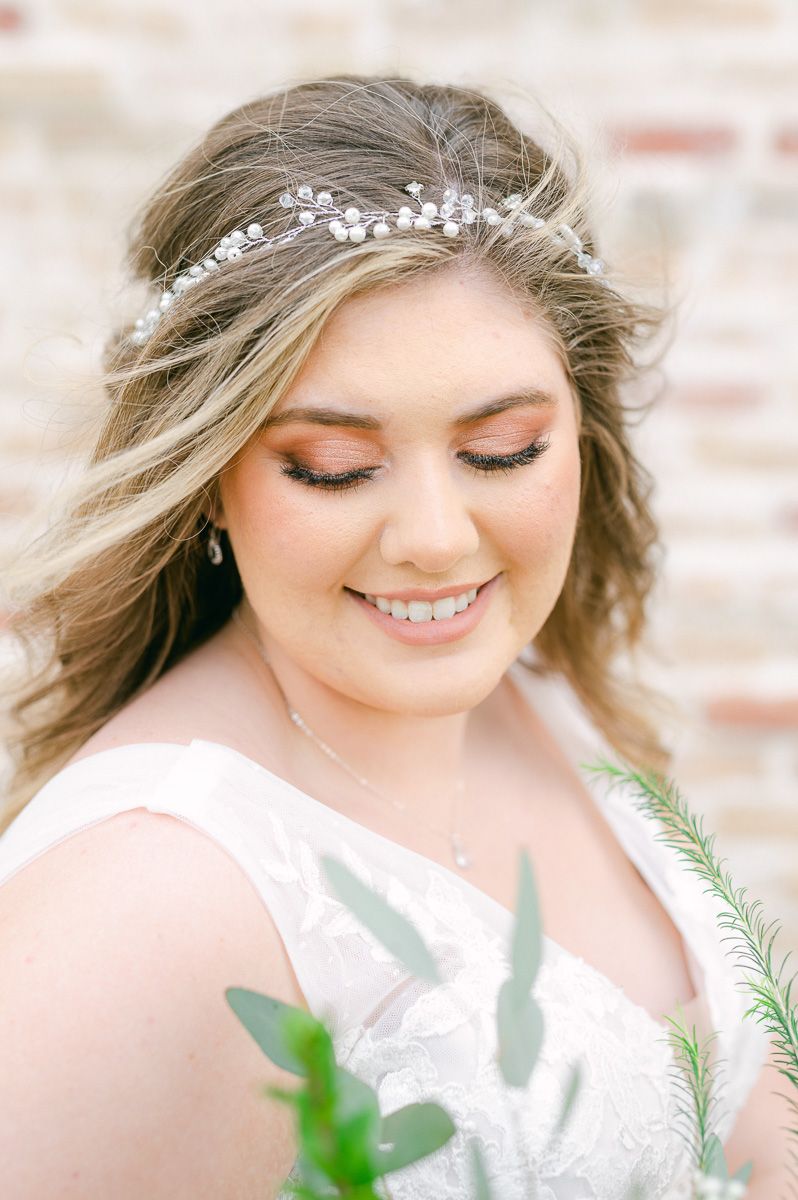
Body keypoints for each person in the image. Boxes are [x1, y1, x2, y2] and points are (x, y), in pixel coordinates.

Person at [0, 74, 788, 1197]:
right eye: (333, 466)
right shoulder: (140, 899)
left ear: (583, 430)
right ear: (209, 477)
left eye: (503, 448)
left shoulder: (538, 696)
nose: (431, 538)